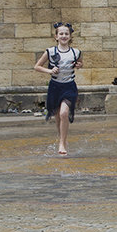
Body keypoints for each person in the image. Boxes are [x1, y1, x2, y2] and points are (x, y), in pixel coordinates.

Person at [33, 22, 81, 156]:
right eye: (61, 34)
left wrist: (79, 65)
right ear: (56, 36)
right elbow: (37, 66)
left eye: (66, 34)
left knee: (64, 113)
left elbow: (80, 63)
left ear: (70, 36)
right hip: (55, 87)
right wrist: (49, 70)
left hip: (69, 86)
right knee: (58, 116)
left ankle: (62, 143)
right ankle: (62, 139)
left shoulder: (76, 52)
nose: (64, 36)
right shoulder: (50, 51)